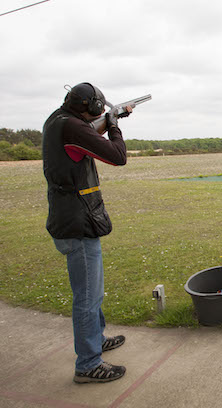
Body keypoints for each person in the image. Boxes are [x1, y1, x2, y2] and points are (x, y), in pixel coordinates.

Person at [42, 82, 132, 383]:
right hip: (77, 222)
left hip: (71, 216)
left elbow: (83, 142)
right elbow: (118, 156)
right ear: (91, 107)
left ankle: (97, 339)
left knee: (93, 292)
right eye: (101, 108)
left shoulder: (58, 120)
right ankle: (88, 364)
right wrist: (115, 124)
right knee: (87, 297)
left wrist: (108, 122)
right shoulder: (73, 127)